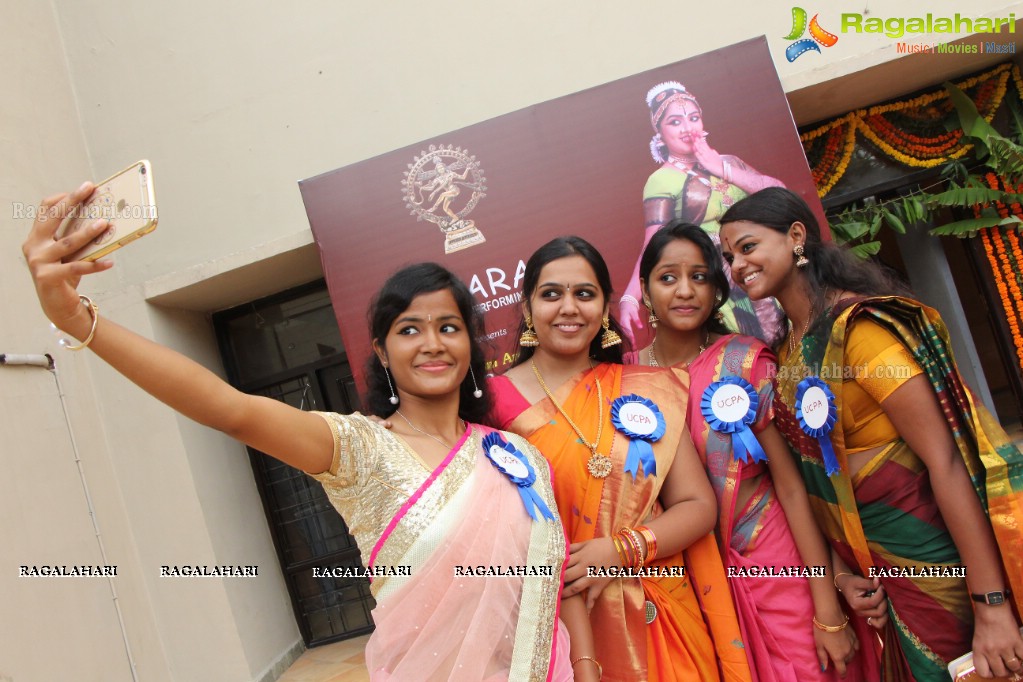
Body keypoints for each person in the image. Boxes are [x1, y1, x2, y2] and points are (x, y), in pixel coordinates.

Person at [22, 182, 589, 681]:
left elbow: (551, 581)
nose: (433, 343)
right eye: (409, 329)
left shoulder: (513, 454)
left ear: (471, 342)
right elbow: (230, 408)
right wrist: (76, 319)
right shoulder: (358, 447)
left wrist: (586, 669)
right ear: (382, 352)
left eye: (449, 327)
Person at [718, 186, 1023, 681]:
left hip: (936, 567)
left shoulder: (860, 330)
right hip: (877, 579)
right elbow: (814, 481)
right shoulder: (789, 351)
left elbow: (944, 461)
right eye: (729, 256)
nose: (737, 266)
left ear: (797, 236)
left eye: (748, 247)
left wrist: (991, 604)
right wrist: (841, 575)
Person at [486, 235, 751, 681]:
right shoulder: (491, 404)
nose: (569, 307)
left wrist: (617, 551)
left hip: (662, 611)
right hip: (564, 621)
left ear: (603, 309)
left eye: (584, 294)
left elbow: (698, 506)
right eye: (551, 294)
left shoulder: (647, 388)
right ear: (529, 310)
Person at [629, 220, 876, 681]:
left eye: (699, 277)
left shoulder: (745, 359)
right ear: (644, 291)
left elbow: (791, 486)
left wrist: (826, 608)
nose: (685, 291)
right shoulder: (622, 381)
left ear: (718, 290)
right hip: (688, 579)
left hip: (771, 560)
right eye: (668, 278)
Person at [619, 80, 786, 348]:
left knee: (791, 340)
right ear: (659, 132)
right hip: (721, 283)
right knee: (749, 356)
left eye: (693, 118)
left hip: (763, 269)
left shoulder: (729, 162)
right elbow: (654, 241)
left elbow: (780, 194)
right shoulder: (662, 180)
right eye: (675, 122)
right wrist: (630, 297)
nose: (687, 128)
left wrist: (720, 167)